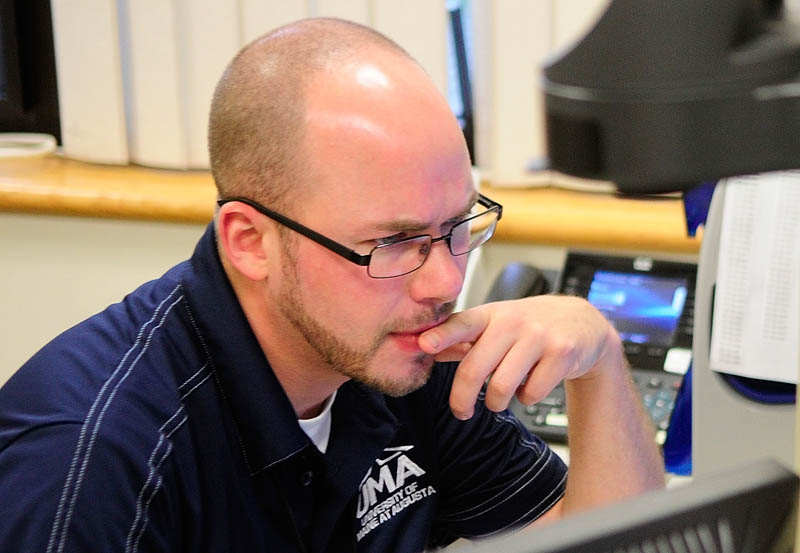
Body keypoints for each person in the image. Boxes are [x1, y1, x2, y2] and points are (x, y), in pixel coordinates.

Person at [0, 17, 664, 553]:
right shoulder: (93, 460)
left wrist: (600, 359)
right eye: (394, 241)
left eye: (459, 225)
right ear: (250, 241)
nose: (445, 280)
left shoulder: (404, 350)